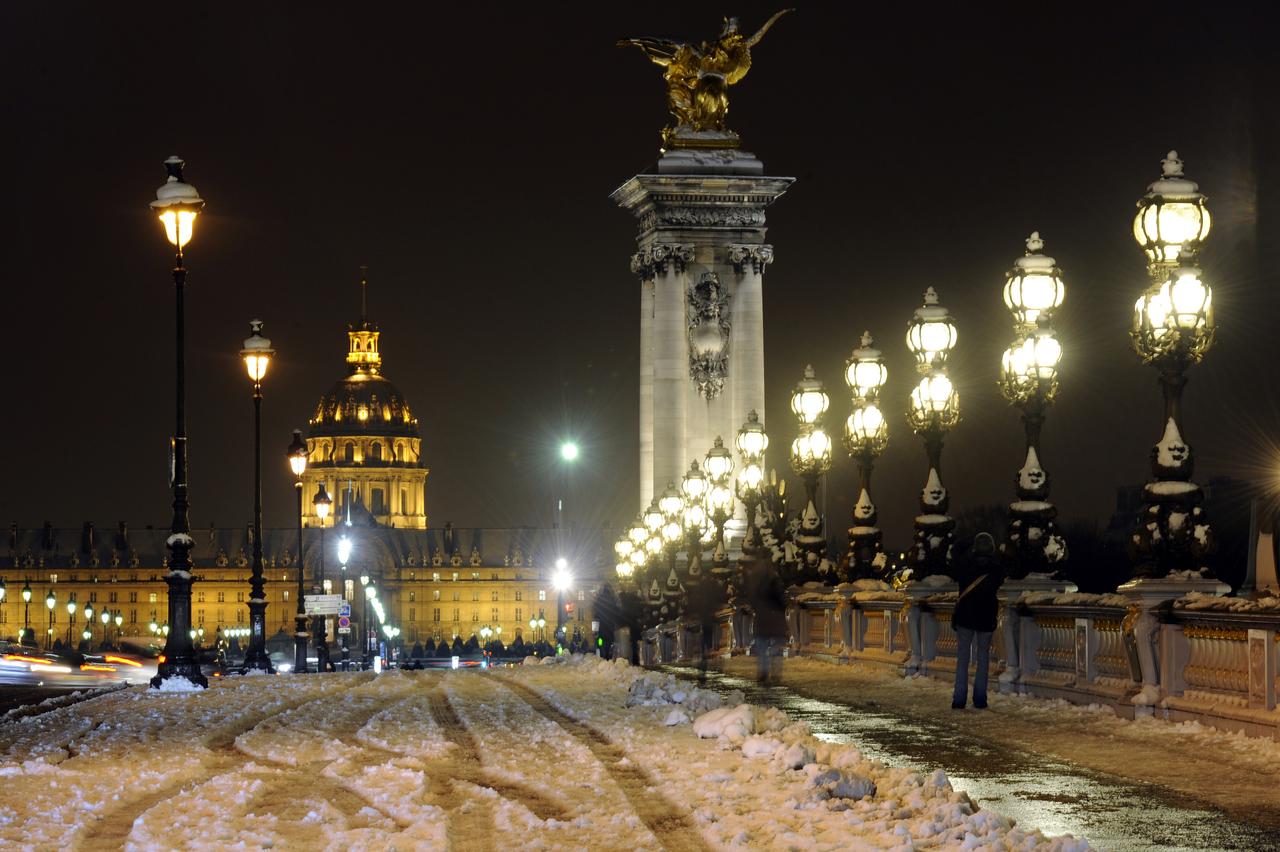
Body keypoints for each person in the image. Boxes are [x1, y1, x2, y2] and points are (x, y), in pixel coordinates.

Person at [951, 532, 1003, 709]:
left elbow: (955, 553)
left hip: (965, 616)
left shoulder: (965, 566)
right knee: (983, 659)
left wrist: (967, 538)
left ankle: (959, 699)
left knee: (963, 659)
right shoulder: (996, 569)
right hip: (986, 617)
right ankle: (980, 698)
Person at [745, 555, 788, 684]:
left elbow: (752, 599)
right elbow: (782, 600)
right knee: (776, 647)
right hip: (775, 618)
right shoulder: (776, 581)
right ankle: (776, 673)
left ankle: (763, 671)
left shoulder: (755, 581)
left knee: (761, 646)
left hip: (762, 617)